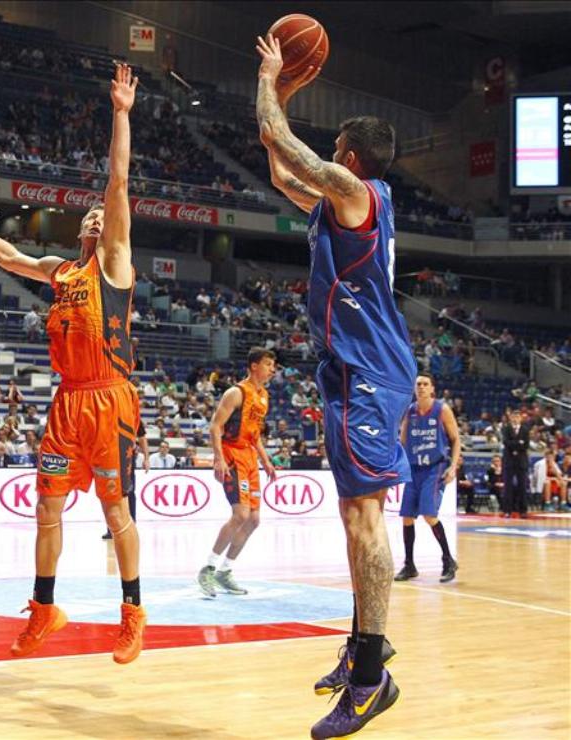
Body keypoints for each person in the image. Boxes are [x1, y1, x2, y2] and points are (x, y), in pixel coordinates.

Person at [0, 62, 145, 664]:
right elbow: (10, 258)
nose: (94, 216)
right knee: (48, 505)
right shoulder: (62, 270)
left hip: (110, 396)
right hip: (68, 401)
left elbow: (116, 180)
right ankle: (44, 607)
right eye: (86, 215)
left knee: (115, 510)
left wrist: (120, 112)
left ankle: (133, 613)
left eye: (100, 215)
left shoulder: (114, 264)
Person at [257, 36, 411, 735]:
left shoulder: (357, 193)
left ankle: (373, 676)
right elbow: (281, 166)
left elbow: (292, 153)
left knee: (364, 520)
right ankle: (360, 652)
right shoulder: (336, 203)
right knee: (354, 518)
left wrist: (268, 81)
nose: (328, 151)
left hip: (371, 372)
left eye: (335, 143)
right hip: (349, 370)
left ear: (349, 157)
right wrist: (278, 108)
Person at [198, 348, 277, 598]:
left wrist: (266, 462)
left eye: (273, 365)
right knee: (240, 514)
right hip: (232, 455)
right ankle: (208, 568)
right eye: (268, 364)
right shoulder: (236, 392)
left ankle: (225, 570)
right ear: (254, 366)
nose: (272, 369)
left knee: (254, 520)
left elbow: (256, 436)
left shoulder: (264, 396)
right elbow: (215, 426)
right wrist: (218, 459)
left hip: (250, 457)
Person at [394, 375, 460, 583]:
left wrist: (453, 466)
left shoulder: (442, 410)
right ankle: (409, 565)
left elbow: (456, 439)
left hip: (435, 467)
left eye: (425, 384)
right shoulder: (410, 411)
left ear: (432, 388)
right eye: (418, 384)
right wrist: (398, 465)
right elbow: (402, 441)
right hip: (414, 468)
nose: (421, 387)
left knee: (429, 515)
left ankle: (448, 560)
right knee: (407, 517)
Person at [501, 411, 530, 518]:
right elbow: (506, 442)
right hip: (509, 461)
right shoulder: (506, 429)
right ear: (510, 418)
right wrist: (518, 444)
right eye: (514, 416)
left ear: (521, 418)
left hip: (521, 461)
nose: (515, 418)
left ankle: (523, 510)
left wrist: (515, 446)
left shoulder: (525, 430)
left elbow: (526, 444)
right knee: (508, 486)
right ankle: (507, 510)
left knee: (522, 486)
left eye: (517, 416)